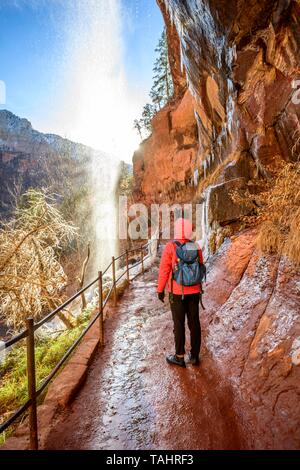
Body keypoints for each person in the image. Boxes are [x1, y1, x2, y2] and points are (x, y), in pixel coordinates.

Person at [157, 217, 204, 368]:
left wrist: (160, 290)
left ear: (177, 230)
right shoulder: (195, 246)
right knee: (194, 323)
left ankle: (179, 357)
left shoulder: (170, 247)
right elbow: (201, 267)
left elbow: (164, 270)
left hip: (177, 292)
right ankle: (195, 356)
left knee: (179, 324)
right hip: (195, 292)